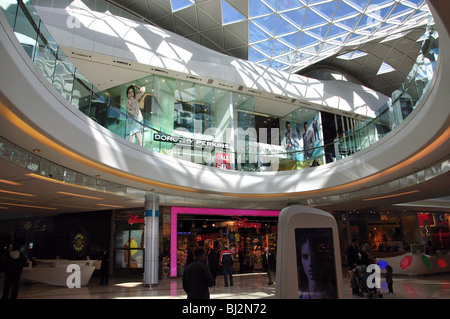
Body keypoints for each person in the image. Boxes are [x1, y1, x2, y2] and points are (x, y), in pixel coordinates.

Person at [297, 232, 336, 299]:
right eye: (305, 257)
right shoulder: (299, 295)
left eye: (315, 256)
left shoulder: (332, 294)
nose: (310, 263)